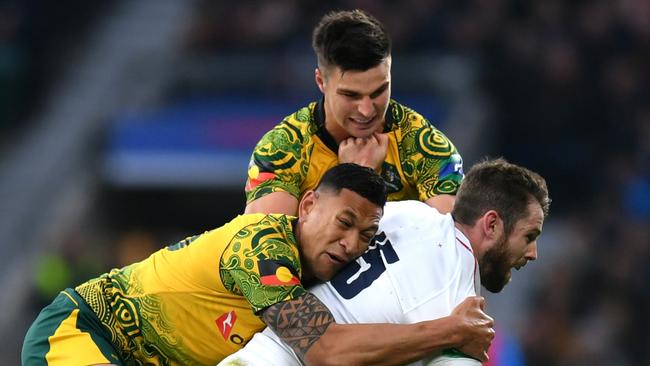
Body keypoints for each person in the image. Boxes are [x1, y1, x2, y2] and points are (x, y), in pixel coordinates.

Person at [22, 164, 493, 366]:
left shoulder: (318, 280)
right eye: (343, 222)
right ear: (307, 205)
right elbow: (327, 351)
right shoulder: (263, 246)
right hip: (87, 332)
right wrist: (449, 332)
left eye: (365, 236)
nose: (351, 244)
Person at [221, 158, 551, 365]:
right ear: (491, 225)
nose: (532, 253)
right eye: (529, 236)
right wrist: (451, 333)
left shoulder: (405, 212)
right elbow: (329, 353)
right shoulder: (460, 305)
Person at [245, 9, 464, 216]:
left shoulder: (425, 146)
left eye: (379, 91)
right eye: (351, 95)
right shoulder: (281, 150)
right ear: (321, 81)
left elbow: (454, 244)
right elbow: (265, 246)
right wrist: (354, 179)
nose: (367, 110)